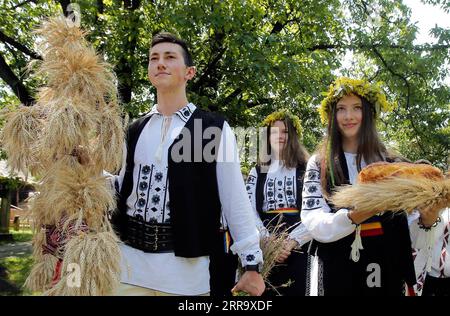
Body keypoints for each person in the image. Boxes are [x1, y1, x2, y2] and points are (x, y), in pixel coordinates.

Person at [110, 32, 265, 296]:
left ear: (189, 72)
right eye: (154, 58)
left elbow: (234, 198)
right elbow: (121, 187)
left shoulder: (211, 129)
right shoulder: (133, 128)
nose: (160, 63)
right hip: (127, 271)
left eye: (170, 57)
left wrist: (251, 264)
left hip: (184, 276)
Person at [300, 77, 442, 296]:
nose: (348, 116)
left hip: (388, 265)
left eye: (357, 108)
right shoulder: (320, 164)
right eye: (341, 109)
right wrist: (359, 213)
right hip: (338, 269)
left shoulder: (394, 164)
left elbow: (412, 227)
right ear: (332, 115)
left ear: (369, 113)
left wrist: (429, 218)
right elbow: (314, 221)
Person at [246, 109, 312, 296]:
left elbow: (314, 210)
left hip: (300, 245)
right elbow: (249, 210)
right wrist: (267, 240)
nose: (280, 136)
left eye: (285, 132)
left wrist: (291, 242)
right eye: (274, 132)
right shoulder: (257, 171)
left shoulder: (307, 169)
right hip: (265, 243)